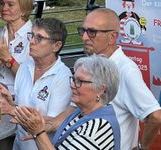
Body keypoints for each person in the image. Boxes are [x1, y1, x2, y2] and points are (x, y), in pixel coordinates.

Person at [45, 8, 161, 150]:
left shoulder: (126, 70)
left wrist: (143, 147)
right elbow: (74, 109)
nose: (84, 37)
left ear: (112, 37)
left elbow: (155, 116)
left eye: (92, 32)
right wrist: (44, 125)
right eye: (83, 31)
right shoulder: (92, 63)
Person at [0, 17, 72, 150]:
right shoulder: (25, 66)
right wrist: (10, 103)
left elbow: (52, 123)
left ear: (56, 46)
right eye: (31, 35)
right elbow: (24, 106)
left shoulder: (63, 77)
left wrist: (14, 110)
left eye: (39, 38)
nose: (31, 42)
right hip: (19, 145)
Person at [14, 55, 121, 150]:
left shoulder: (98, 128)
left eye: (79, 81)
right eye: (73, 79)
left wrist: (38, 132)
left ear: (100, 90)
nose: (72, 85)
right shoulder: (82, 112)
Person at [0, 0, 33, 95]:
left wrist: (8, 59)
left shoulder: (35, 37)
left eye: (10, 4)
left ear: (24, 10)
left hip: (21, 100)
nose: (4, 8)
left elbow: (33, 81)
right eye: (2, 3)